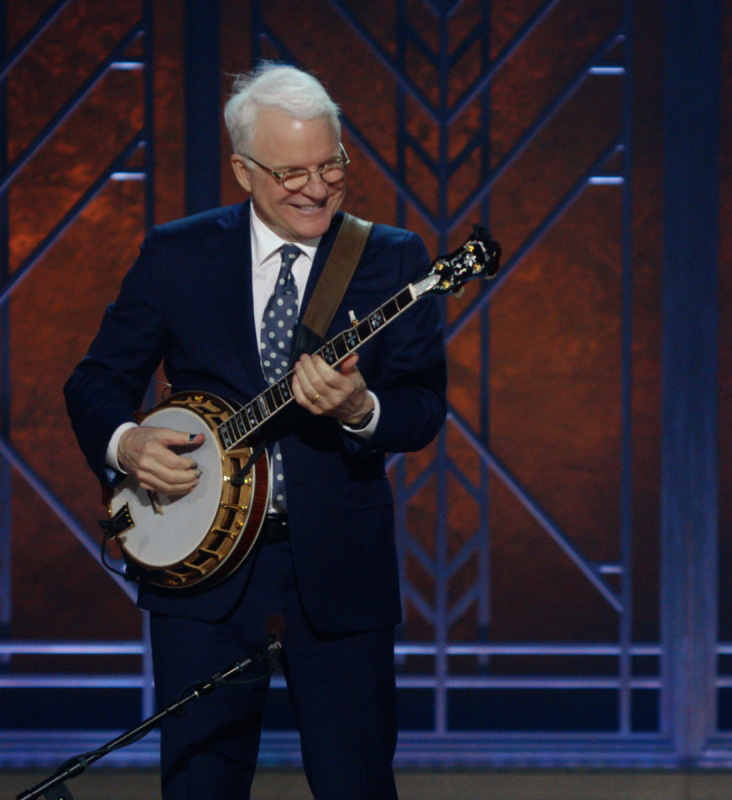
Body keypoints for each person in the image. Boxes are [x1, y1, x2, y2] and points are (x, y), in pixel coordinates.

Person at [63, 63, 446, 799]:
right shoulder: (176, 254)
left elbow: (424, 408)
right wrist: (126, 445)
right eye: (291, 171)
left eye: (331, 164)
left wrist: (360, 410)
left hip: (338, 566)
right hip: (197, 572)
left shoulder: (392, 258)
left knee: (357, 783)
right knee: (200, 784)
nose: (317, 187)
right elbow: (97, 381)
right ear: (242, 169)